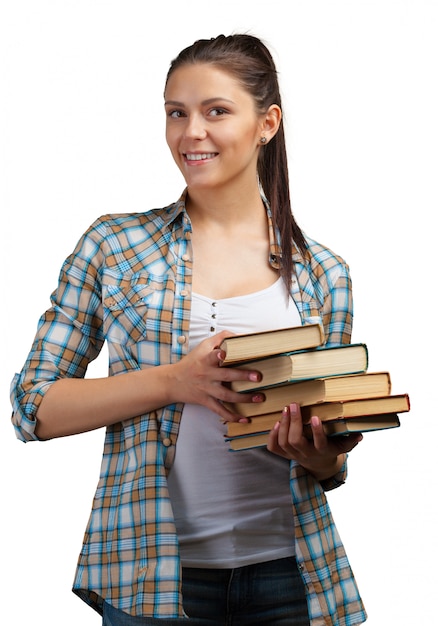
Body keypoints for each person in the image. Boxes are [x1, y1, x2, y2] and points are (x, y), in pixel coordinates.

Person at [10, 34, 367, 626]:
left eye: (216, 111)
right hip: (150, 578)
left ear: (267, 123)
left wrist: (320, 456)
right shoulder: (116, 246)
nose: (190, 132)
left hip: (293, 573)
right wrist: (176, 381)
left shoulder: (324, 273)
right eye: (177, 113)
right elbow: (33, 406)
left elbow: (329, 458)